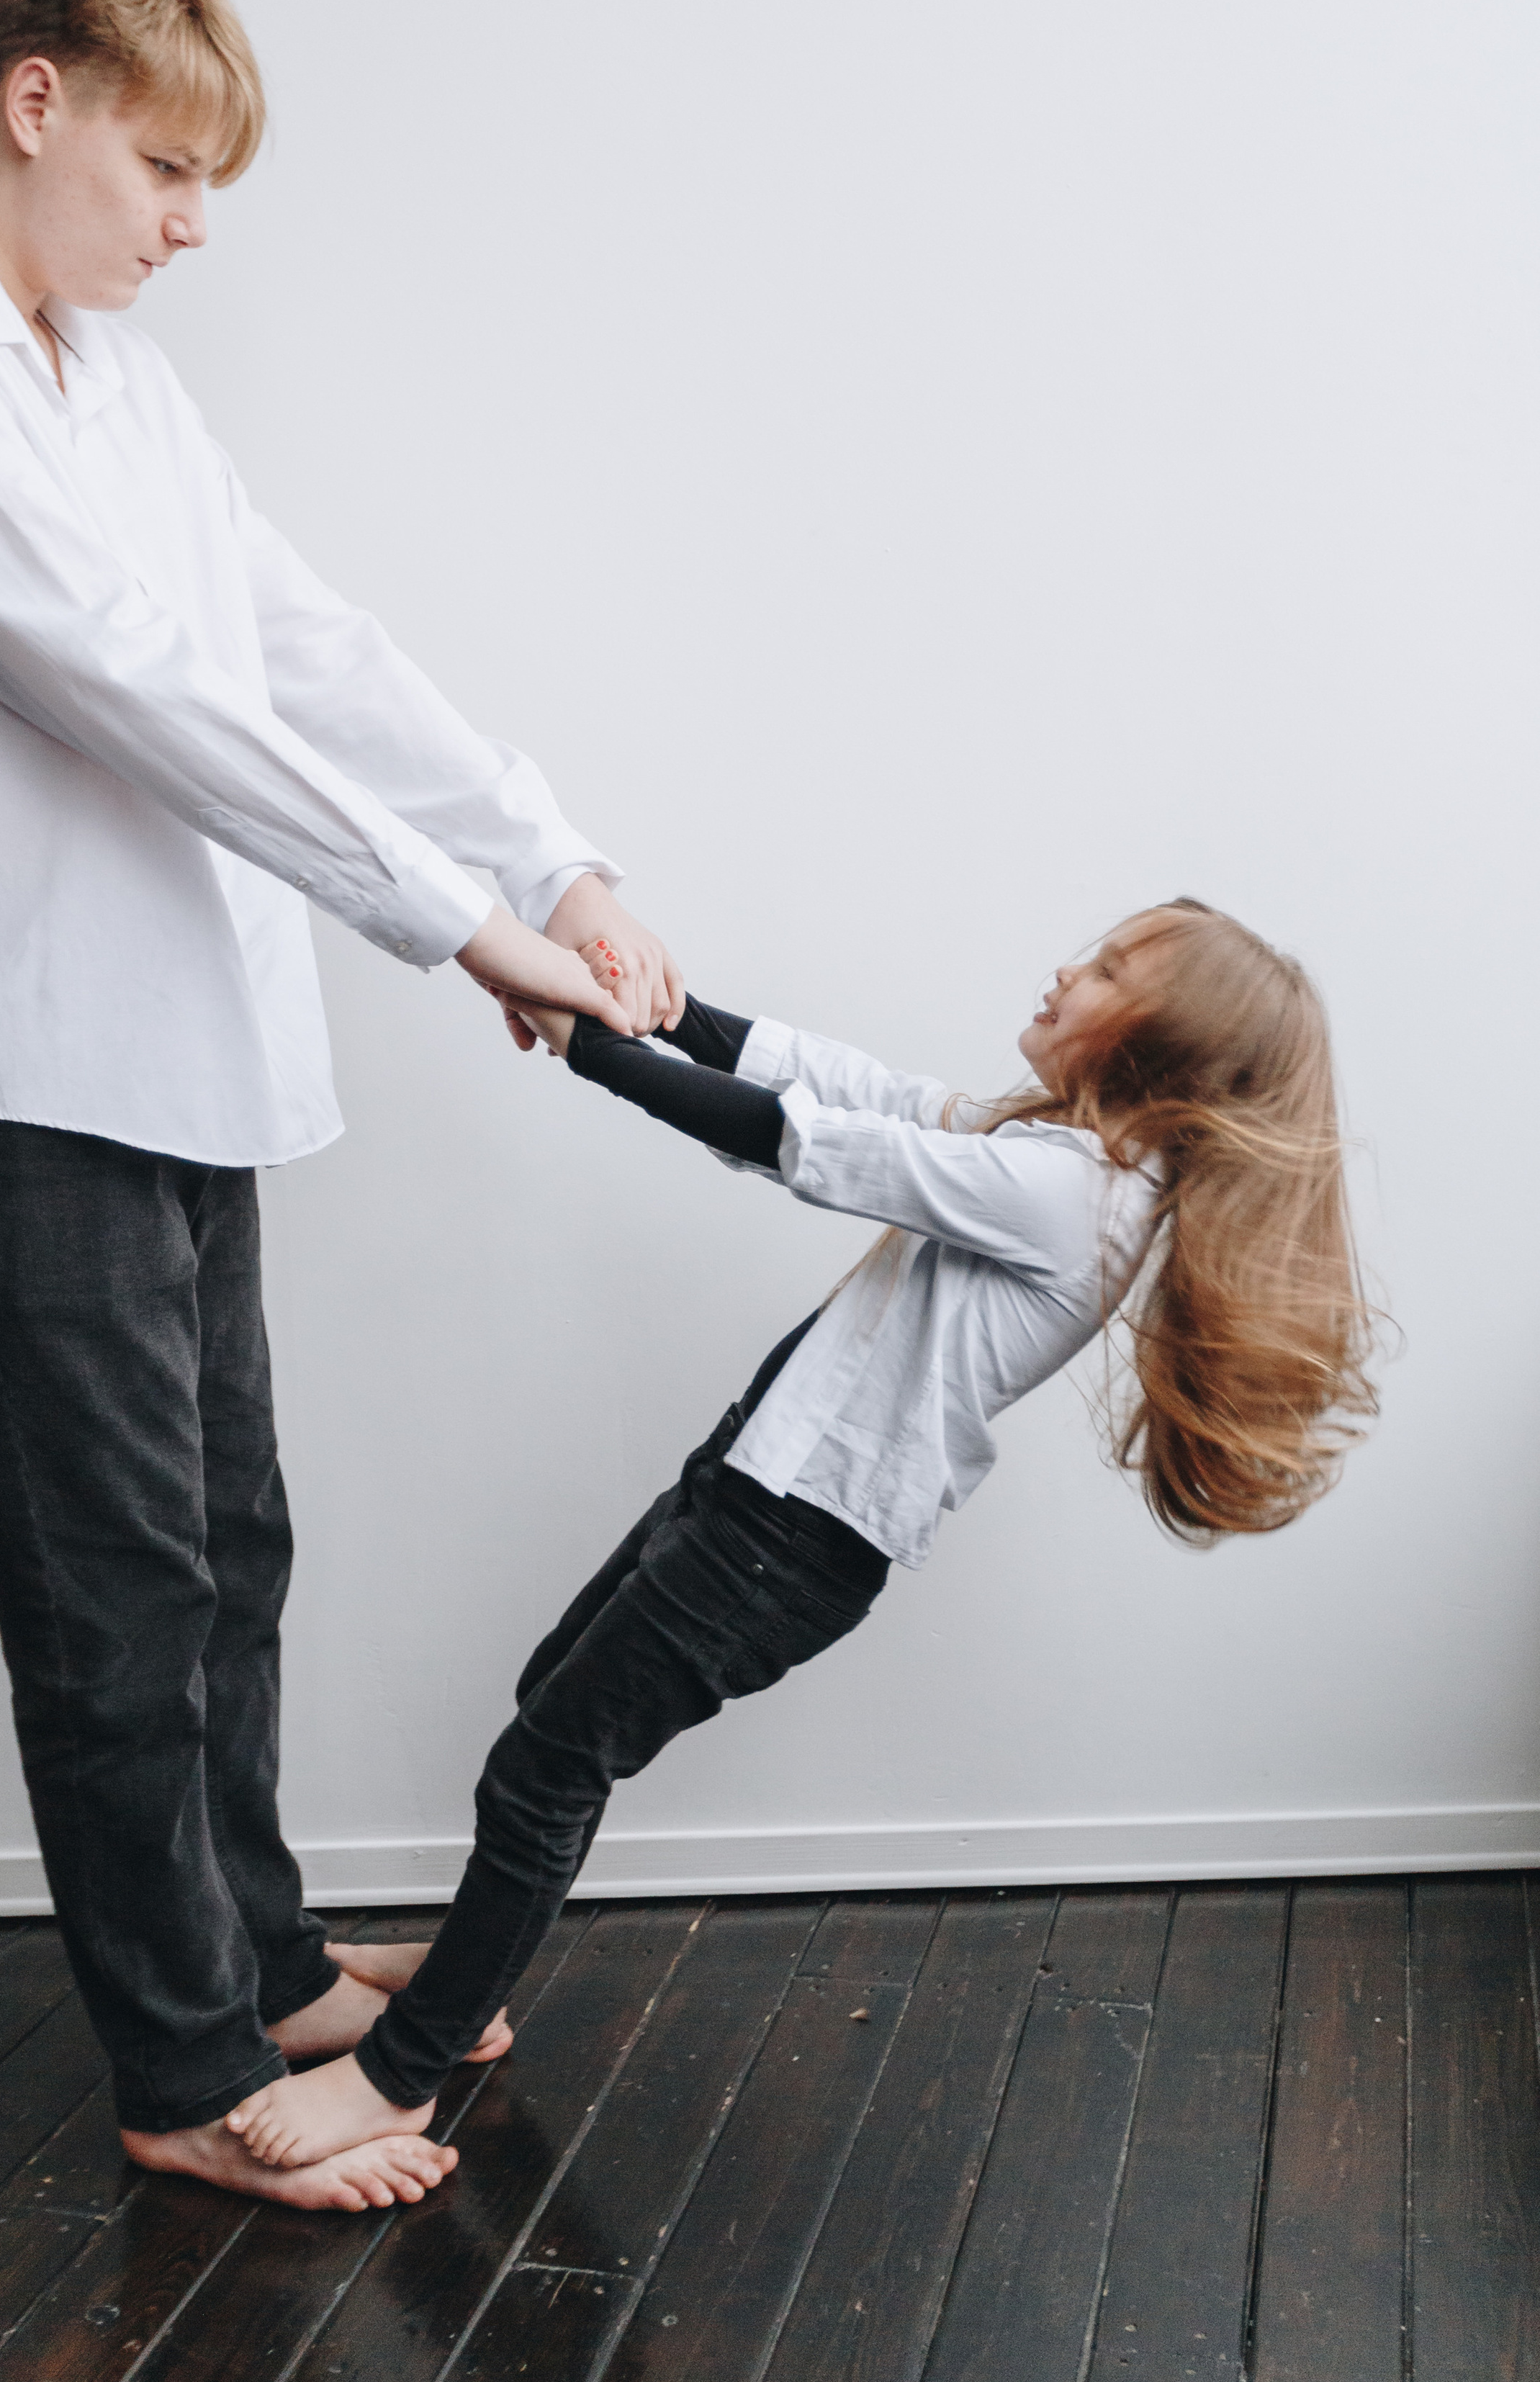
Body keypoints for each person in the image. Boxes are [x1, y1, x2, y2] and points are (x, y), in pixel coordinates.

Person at [0, 0, 685, 2214]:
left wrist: (547, 860)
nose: (187, 222)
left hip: (163, 1047)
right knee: (116, 1573)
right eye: (163, 165)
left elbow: (293, 641)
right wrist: (440, 920)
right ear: (33, 98)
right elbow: (119, 679)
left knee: (225, 1539)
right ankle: (183, 2068)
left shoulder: (110, 378)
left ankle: (248, 1961)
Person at [217, 898, 1378, 2173]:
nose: (1065, 964)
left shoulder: (1072, 1196)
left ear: (1163, 1050)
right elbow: (845, 1086)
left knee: (547, 1765)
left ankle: (401, 2073)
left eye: (1107, 969)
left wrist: (584, 1042)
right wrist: (652, 1012)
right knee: (553, 1698)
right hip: (757, 1489)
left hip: (791, 1538)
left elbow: (807, 1143)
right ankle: (463, 1980)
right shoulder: (1042, 1147)